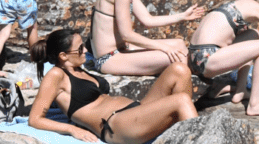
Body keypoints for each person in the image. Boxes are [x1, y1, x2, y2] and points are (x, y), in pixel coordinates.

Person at [29, 29, 197, 142]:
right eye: (80, 49)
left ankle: (183, 134)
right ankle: (202, 136)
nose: (86, 51)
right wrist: (72, 130)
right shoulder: (56, 75)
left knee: (179, 69)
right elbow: (35, 119)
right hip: (116, 125)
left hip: (136, 111)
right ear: (63, 56)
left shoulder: (79, 69)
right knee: (181, 100)